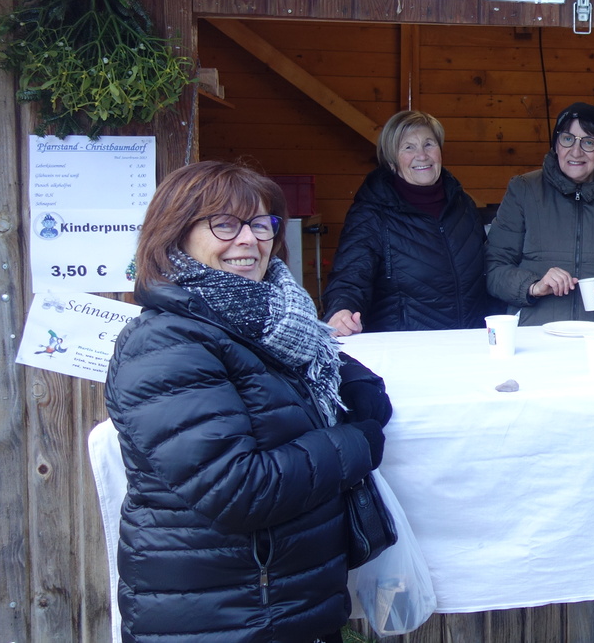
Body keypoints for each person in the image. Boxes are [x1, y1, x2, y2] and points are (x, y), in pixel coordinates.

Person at [105, 161, 392, 643]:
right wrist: (357, 444)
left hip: (281, 602)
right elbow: (238, 489)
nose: (248, 240)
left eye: (260, 224)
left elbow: (309, 364)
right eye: (224, 224)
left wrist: (358, 385)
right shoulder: (164, 344)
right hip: (226, 618)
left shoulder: (263, 318)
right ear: (176, 234)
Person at [324, 110, 494, 334]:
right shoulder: (371, 214)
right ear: (392, 160)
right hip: (406, 346)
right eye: (408, 147)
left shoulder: (463, 205)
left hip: (469, 341)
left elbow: (489, 271)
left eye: (429, 144)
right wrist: (341, 310)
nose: (422, 155)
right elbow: (350, 277)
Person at [486, 102, 594, 325]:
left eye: (589, 142)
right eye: (567, 139)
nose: (576, 152)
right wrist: (533, 286)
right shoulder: (524, 190)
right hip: (537, 333)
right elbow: (493, 269)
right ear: (556, 145)